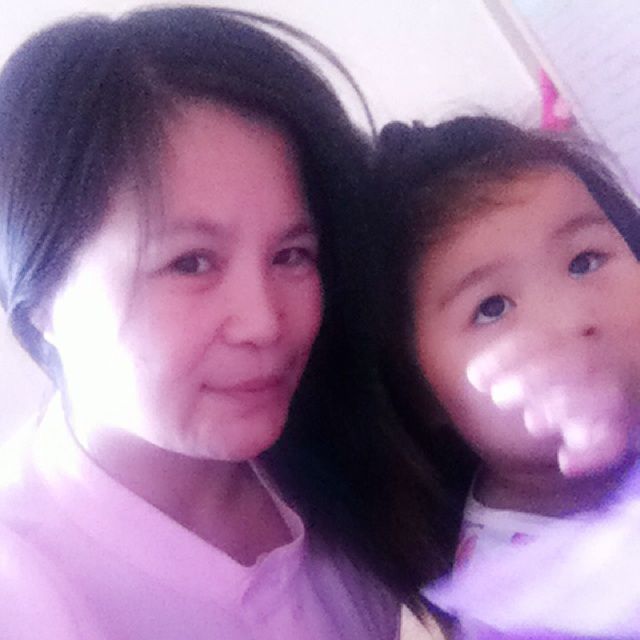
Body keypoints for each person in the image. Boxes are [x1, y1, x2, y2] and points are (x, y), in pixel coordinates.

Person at [0, 7, 452, 638]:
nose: (265, 323)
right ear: (42, 301)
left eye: (292, 254)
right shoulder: (24, 591)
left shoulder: (340, 442)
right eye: (190, 262)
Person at [370, 116, 640, 637]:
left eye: (585, 261)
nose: (572, 321)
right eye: (492, 308)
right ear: (421, 393)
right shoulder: (515, 603)